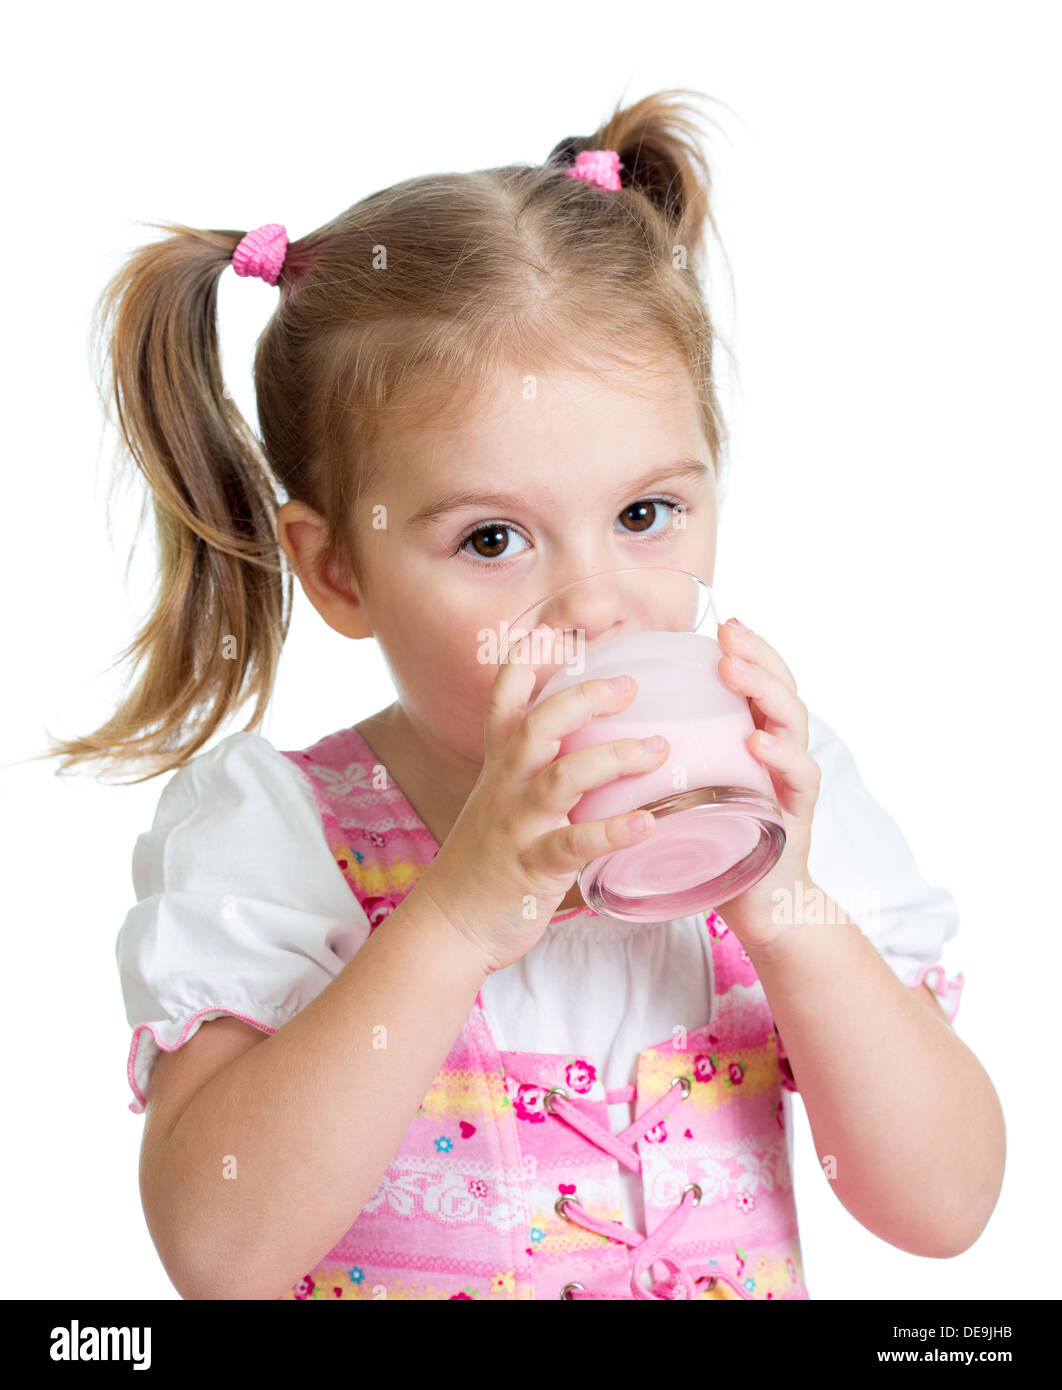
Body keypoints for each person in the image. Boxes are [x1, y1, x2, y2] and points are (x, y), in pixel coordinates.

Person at [46, 88, 1001, 1300]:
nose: (597, 607)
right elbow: (219, 1254)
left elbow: (948, 1204)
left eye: (646, 516)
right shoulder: (284, 838)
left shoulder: (786, 788)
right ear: (340, 567)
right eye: (495, 540)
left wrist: (787, 908)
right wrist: (454, 916)